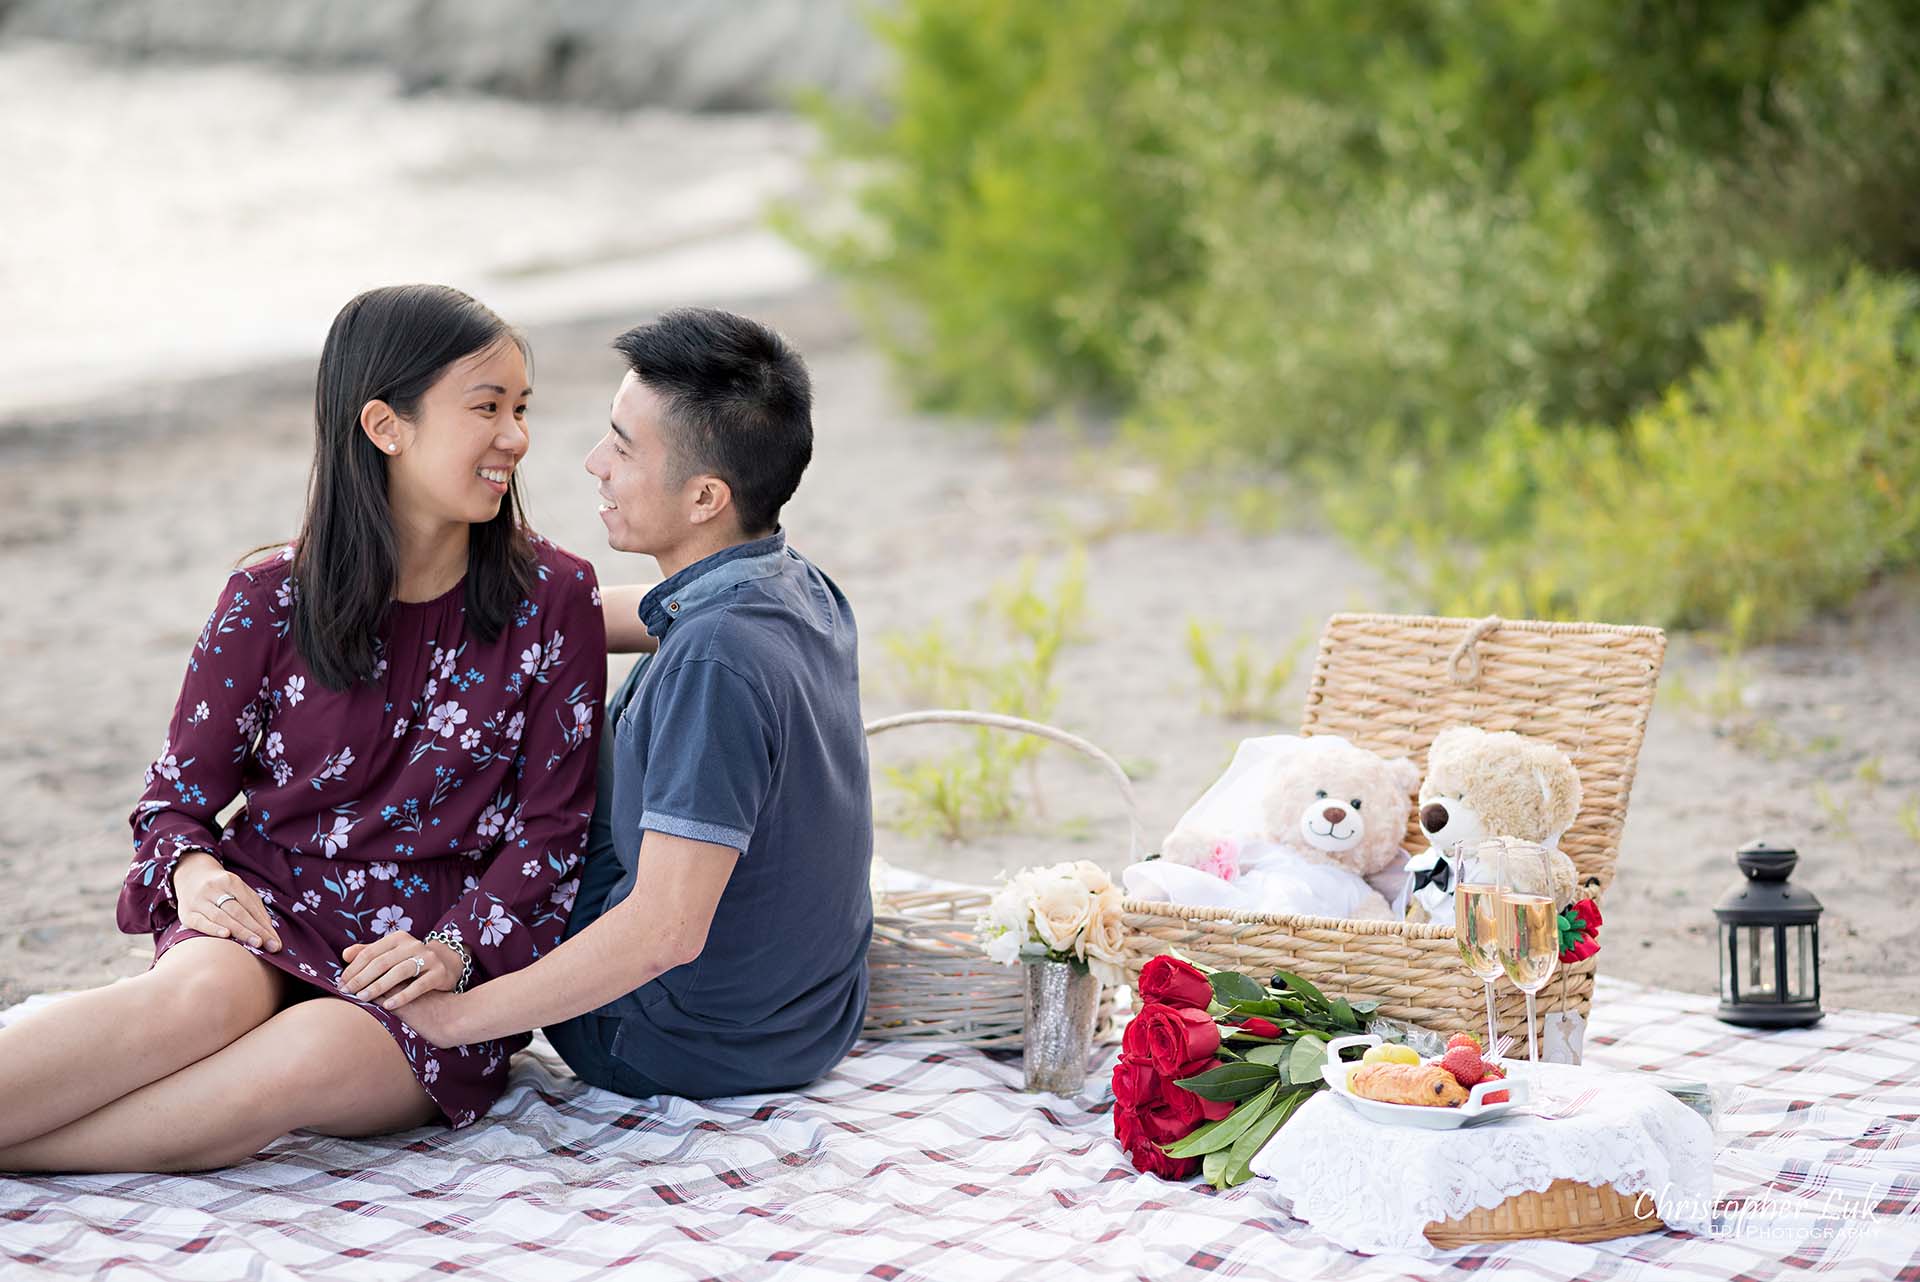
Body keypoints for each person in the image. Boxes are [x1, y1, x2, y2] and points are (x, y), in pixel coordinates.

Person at [0, 284, 607, 1172]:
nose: (516, 436)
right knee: (193, 1003)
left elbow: (552, 833)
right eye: (487, 408)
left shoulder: (557, 599)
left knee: (303, 1057)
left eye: (521, 409)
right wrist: (196, 869)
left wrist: (454, 950)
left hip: (425, 956)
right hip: (269, 909)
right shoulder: (266, 600)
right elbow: (174, 802)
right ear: (384, 425)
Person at [396, 308, 873, 1103]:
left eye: (621, 446)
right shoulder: (790, 585)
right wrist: (440, 615)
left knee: (540, 720)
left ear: (704, 497)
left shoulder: (715, 662)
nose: (594, 463)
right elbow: (618, 615)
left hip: (666, 1042)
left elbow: (665, 931)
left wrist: (458, 1020)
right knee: (547, 657)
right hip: (812, 1021)